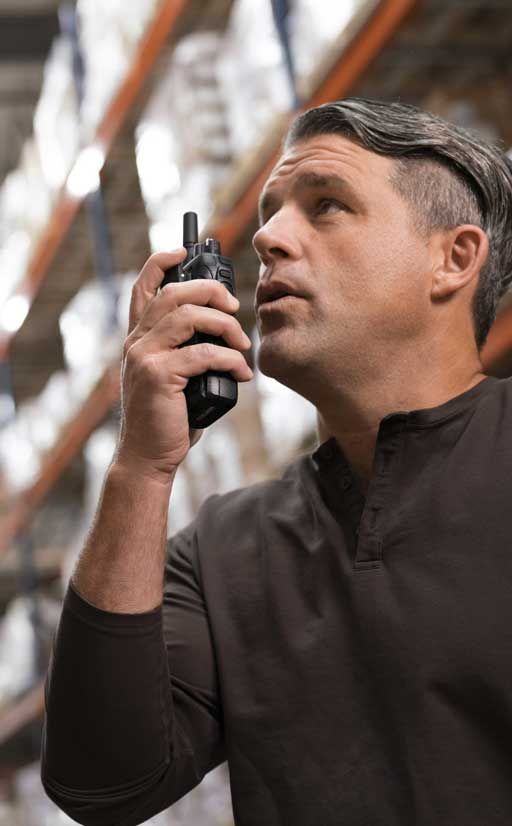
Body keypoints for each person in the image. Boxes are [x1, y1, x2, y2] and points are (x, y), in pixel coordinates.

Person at [41, 98, 512, 826]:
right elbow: (102, 782)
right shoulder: (224, 550)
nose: (266, 237)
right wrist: (141, 467)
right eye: (270, 212)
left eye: (325, 205)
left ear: (452, 259)